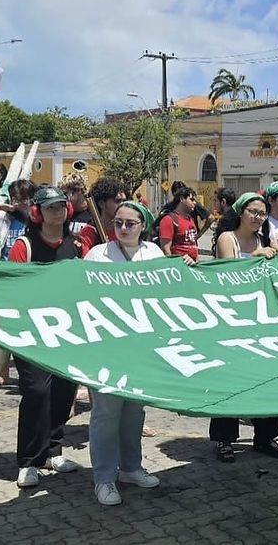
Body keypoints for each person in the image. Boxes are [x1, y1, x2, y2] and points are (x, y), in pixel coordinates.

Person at [84, 200, 163, 505]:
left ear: (143, 225)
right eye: (118, 222)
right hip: (107, 346)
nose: (123, 228)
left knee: (134, 411)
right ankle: (104, 478)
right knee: (105, 412)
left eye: (130, 223)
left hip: (141, 347)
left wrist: (185, 268)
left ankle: (131, 466)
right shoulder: (97, 255)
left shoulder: (153, 254)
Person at [7, 186, 84, 489]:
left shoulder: (76, 245)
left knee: (63, 393)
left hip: (67, 334)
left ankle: (53, 450)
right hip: (32, 333)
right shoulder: (23, 246)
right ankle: (29, 460)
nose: (58, 211)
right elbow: (14, 290)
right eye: (51, 207)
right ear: (38, 212)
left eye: (62, 206)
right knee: (37, 392)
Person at [209, 192, 278, 462]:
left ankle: (266, 436)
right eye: (253, 211)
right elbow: (230, 274)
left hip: (261, 321)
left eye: (262, 213)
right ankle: (224, 439)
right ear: (241, 212)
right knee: (231, 379)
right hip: (231, 321)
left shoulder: (264, 240)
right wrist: (256, 255)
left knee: (267, 378)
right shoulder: (226, 238)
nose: (257, 217)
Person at [0, 179, 35, 388]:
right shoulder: (4, 218)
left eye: (23, 199)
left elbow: (32, 222)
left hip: (26, 278)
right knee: (4, 324)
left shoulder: (33, 219)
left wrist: (18, 212)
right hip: (5, 273)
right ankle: (2, 372)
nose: (18, 203)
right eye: (15, 199)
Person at [79, 177, 127, 248]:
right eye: (117, 201)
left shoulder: (126, 229)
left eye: (124, 201)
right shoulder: (90, 232)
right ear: (101, 204)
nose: (123, 205)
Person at [158, 186, 200, 261]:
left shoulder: (191, 219)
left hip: (192, 266)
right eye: (191, 200)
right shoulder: (169, 220)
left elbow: (194, 244)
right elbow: (166, 249)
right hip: (179, 266)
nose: (195, 203)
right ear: (182, 199)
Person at [59, 172, 94, 240]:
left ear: (78, 191)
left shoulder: (94, 213)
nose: (63, 197)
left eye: (65, 193)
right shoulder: (64, 213)